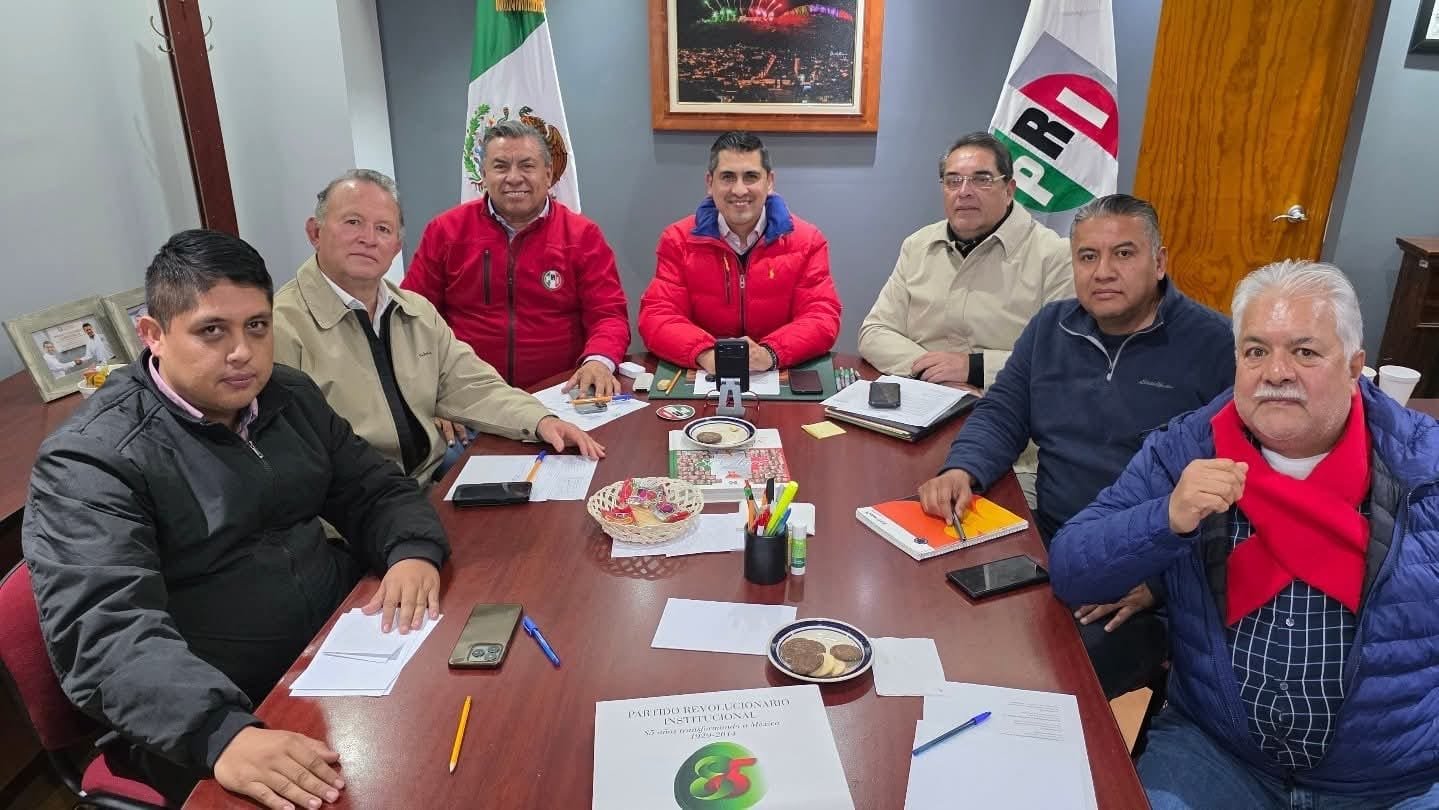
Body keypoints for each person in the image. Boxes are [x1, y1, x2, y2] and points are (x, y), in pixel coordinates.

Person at [23, 229, 450, 808]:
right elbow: (105, 631)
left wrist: (411, 550)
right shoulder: (92, 459)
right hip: (212, 714)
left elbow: (372, 488)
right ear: (152, 335)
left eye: (256, 326)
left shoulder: (287, 396)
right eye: (211, 331)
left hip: (341, 653)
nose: (242, 352)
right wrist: (220, 733)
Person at [1051, 260, 1439, 808]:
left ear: (1354, 367)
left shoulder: (1424, 468)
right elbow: (1071, 567)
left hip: (1394, 781)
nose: (1276, 372)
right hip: (1216, 757)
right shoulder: (1187, 449)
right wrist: (1165, 520)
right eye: (1256, 351)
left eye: (1304, 352)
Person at [916, 194, 1235, 699]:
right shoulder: (1052, 327)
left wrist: (1159, 586)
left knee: (1042, 681)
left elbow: (1240, 490)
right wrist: (963, 469)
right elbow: (1003, 411)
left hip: (1143, 568)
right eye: (1088, 256)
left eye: (1123, 253)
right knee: (941, 616)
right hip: (1050, 540)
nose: (1103, 271)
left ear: (1159, 262)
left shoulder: (1216, 346)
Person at [274, 169, 602, 484]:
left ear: (396, 248)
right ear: (315, 232)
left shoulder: (416, 312)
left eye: (383, 229)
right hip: (357, 505)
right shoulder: (280, 328)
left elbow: (473, 386)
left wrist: (540, 420)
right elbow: (292, 460)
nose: (368, 239)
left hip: (427, 480)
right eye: (352, 222)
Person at [402, 120, 630, 396]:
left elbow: (608, 316)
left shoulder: (583, 236)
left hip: (558, 393)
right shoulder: (445, 231)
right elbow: (413, 315)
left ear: (548, 174)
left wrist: (598, 361)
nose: (513, 178)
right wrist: (428, 383)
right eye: (500, 166)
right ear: (483, 175)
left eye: (527, 165)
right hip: (465, 393)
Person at [859, 132, 1072, 390]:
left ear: (1009, 190)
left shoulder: (1056, 255)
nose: (964, 192)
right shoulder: (917, 246)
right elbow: (874, 331)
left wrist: (974, 369)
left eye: (981, 180)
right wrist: (935, 372)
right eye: (953, 181)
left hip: (1007, 401)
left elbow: (1063, 357)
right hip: (921, 394)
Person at [638, 131, 841, 374]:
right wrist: (707, 354)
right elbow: (657, 316)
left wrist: (769, 353)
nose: (740, 190)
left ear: (770, 182)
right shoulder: (678, 240)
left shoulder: (807, 241)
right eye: (728, 177)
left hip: (777, 371)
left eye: (751, 177)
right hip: (707, 372)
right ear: (709, 183)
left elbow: (821, 316)